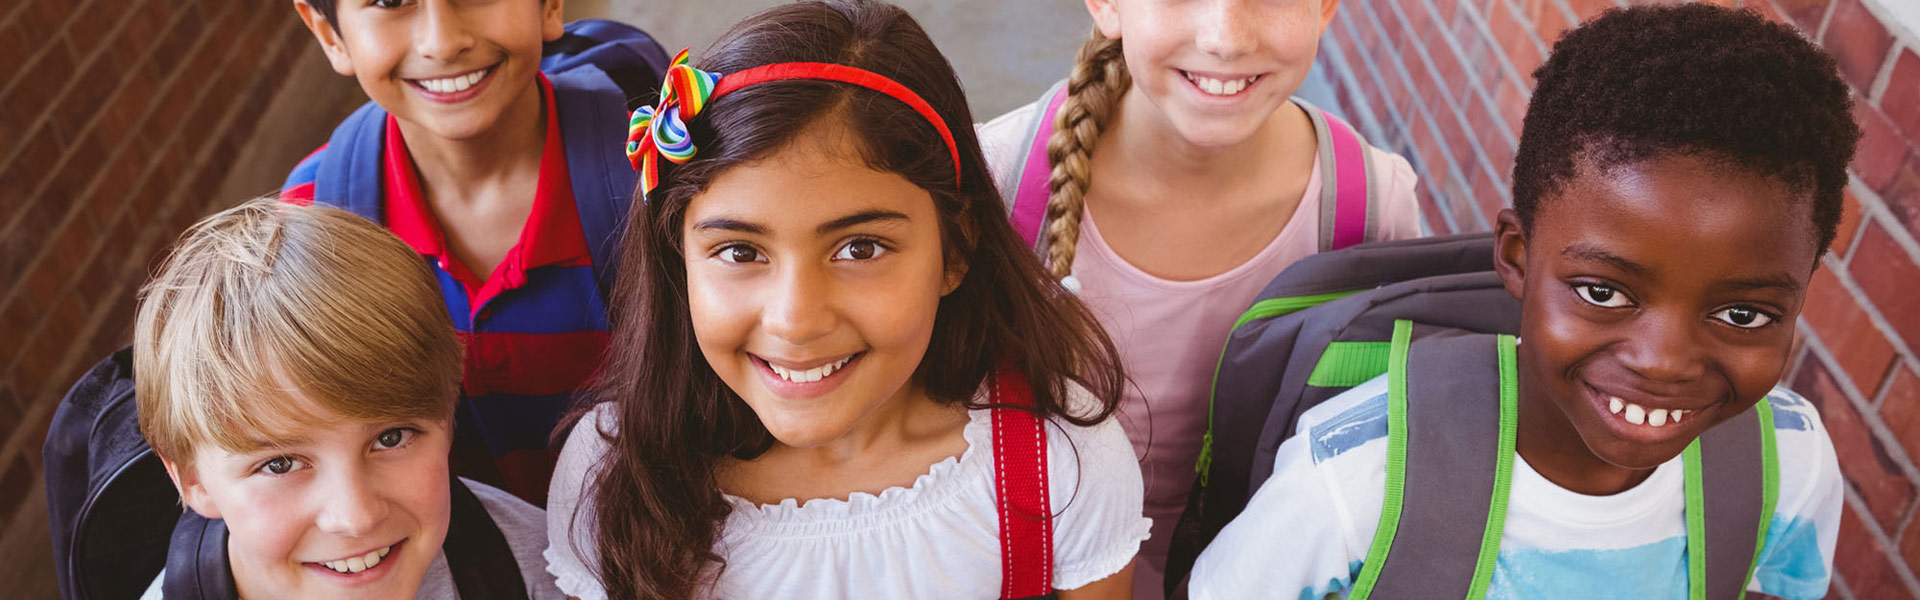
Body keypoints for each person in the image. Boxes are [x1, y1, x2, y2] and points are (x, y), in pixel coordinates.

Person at [1190, 5, 1857, 598]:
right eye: (1603, 292)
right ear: (1516, 255)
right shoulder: (1355, 483)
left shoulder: (1788, 469)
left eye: (1742, 314)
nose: (1663, 361)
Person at [544, 2, 1150, 598]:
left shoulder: (1060, 461)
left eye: (860, 249)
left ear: (956, 249)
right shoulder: (614, 474)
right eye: (740, 252)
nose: (796, 321)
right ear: (679, 261)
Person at [132, 197, 563, 598]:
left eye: (391, 438)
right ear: (193, 480)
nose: (356, 517)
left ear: (449, 415)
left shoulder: (540, 572)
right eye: (279, 464)